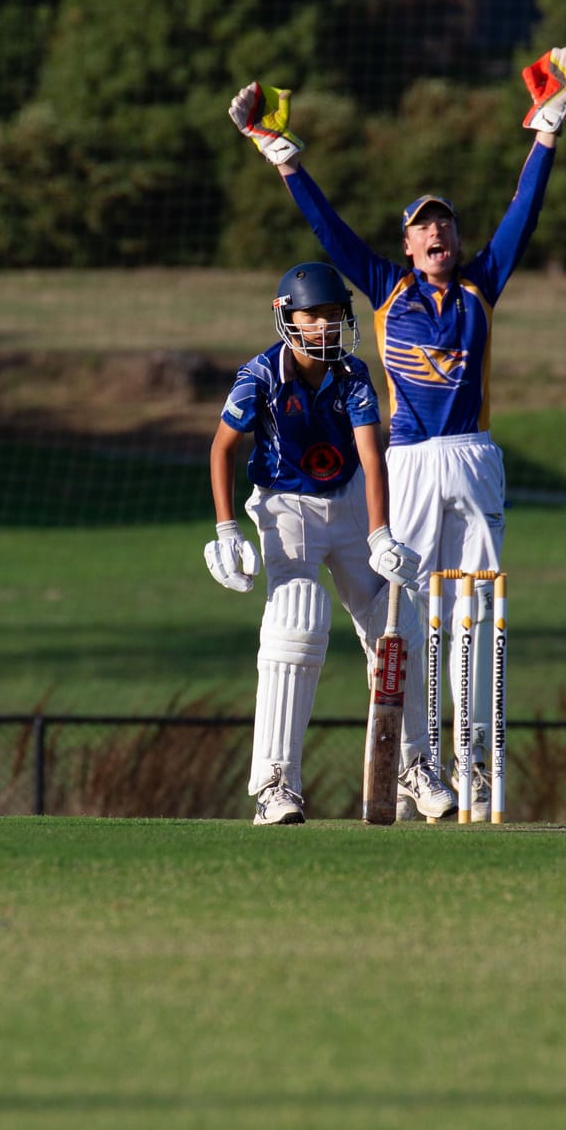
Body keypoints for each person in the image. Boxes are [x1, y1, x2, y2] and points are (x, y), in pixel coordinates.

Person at [227, 47, 566, 817]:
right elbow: (331, 233)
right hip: (409, 461)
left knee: (475, 610)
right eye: (424, 226)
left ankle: (475, 764)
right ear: (410, 243)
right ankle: (417, 764)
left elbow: (524, 214)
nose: (437, 232)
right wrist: (286, 161)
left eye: (444, 223)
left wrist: (547, 131)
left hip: (473, 456)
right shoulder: (387, 289)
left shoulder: (481, 284)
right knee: (410, 618)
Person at [205, 262, 453, 825]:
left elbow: (371, 454)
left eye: (333, 315)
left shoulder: (352, 374)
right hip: (284, 506)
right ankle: (275, 785)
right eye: (313, 316)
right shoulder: (259, 376)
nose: (324, 326)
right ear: (286, 318)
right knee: (297, 618)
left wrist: (380, 533)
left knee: (396, 621)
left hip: (347, 498)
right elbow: (222, 447)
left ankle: (415, 766)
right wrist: (225, 530)